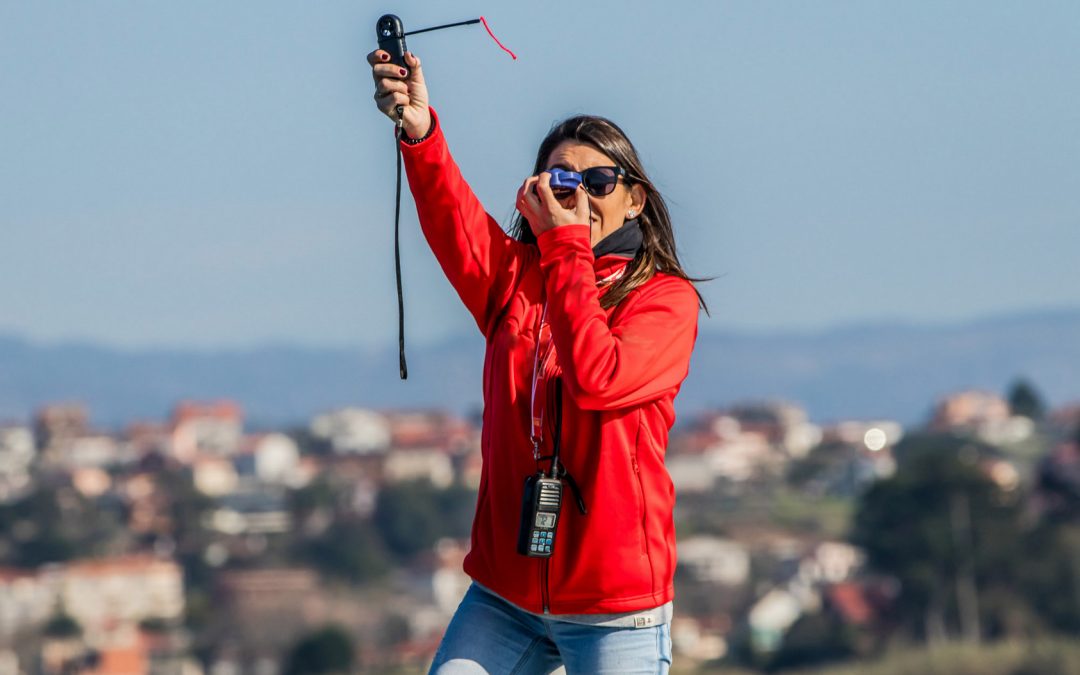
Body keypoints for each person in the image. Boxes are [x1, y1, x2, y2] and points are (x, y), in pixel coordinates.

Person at [369, 48, 705, 675]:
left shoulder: (665, 300)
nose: (578, 195)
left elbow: (598, 377)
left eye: (599, 182)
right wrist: (419, 130)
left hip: (615, 606)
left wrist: (566, 248)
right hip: (506, 596)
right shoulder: (517, 281)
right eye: (560, 180)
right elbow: (452, 219)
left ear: (634, 201)